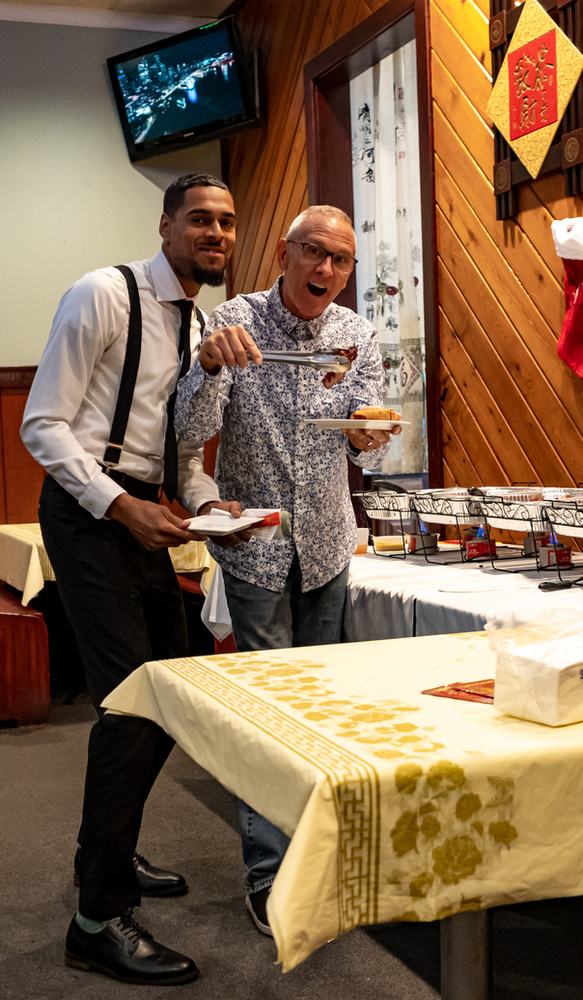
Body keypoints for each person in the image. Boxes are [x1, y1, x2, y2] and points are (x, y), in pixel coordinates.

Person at [20, 173, 249, 985]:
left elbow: (182, 452)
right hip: (88, 514)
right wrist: (121, 507)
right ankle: (97, 916)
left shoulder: (203, 328)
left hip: (143, 508)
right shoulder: (103, 294)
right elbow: (40, 423)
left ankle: (105, 854)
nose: (214, 233)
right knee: (128, 706)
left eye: (225, 222)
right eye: (198, 220)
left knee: (171, 692)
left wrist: (212, 505)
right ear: (165, 226)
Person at [175, 204, 402, 935]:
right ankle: (270, 876)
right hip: (259, 546)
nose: (325, 270)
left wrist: (370, 438)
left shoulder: (355, 334)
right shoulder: (232, 319)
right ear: (283, 252)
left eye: (339, 260)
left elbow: (367, 435)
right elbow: (191, 429)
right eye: (313, 253)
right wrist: (209, 365)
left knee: (325, 712)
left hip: (330, 545)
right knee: (270, 718)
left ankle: (323, 864)